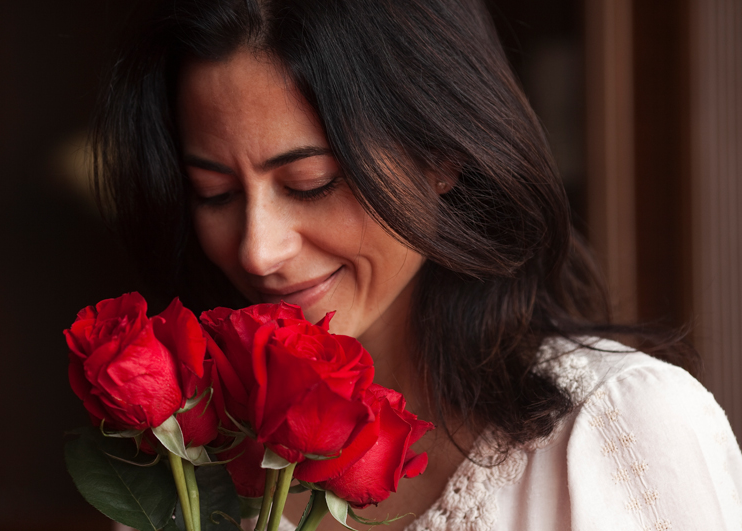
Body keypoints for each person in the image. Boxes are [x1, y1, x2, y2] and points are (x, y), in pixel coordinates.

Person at [92, 0, 742, 529]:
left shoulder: (611, 432)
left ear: (441, 155)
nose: (258, 250)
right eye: (216, 194)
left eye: (311, 181)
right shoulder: (186, 476)